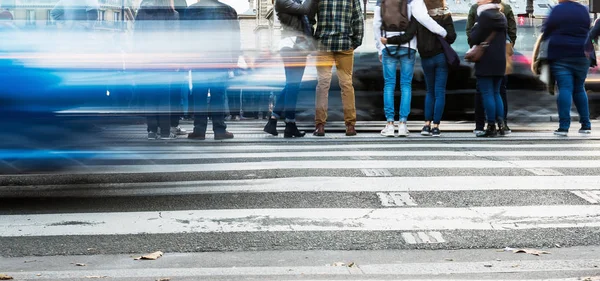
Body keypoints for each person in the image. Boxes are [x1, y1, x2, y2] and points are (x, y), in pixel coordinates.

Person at [379, 0, 456, 137]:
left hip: (426, 59)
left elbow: (407, 36)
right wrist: (442, 34)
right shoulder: (445, 15)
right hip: (441, 57)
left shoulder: (419, 16)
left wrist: (389, 41)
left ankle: (426, 125)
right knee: (439, 92)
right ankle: (436, 127)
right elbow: (452, 37)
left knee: (430, 92)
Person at [184, 0, 239, 140]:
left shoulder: (191, 10)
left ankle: (199, 130)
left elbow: (185, 37)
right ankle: (219, 129)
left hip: (199, 59)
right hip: (220, 58)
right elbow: (235, 38)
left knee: (199, 96)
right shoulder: (228, 10)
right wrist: (234, 59)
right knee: (218, 96)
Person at [263, 0, 317, 138]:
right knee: (293, 86)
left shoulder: (295, 2)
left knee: (292, 86)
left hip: (299, 46)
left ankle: (274, 120)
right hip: (292, 46)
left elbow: (309, 13)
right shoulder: (283, 1)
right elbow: (305, 9)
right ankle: (289, 124)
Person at [313, 0, 364, 137]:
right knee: (346, 84)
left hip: (323, 44)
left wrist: (313, 39)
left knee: (323, 84)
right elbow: (358, 19)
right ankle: (350, 125)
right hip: (345, 44)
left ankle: (320, 125)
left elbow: (309, 16)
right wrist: (355, 42)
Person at [543, 0, 592, 136]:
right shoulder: (583, 9)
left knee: (565, 88)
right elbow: (588, 28)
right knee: (579, 88)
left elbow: (546, 30)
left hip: (561, 53)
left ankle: (564, 127)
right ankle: (586, 125)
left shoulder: (557, 10)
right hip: (583, 53)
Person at [466, 1, 516, 135]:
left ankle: (491, 125)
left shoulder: (484, 16)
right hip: (500, 59)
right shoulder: (501, 16)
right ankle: (501, 123)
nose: (478, 1)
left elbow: (474, 38)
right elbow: (510, 34)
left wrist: (475, 27)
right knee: (496, 93)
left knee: (487, 93)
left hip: (486, 60)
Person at [134, 0, 179, 140]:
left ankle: (152, 131)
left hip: (147, 60)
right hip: (166, 60)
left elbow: (136, 37)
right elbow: (176, 40)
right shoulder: (173, 14)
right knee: (165, 97)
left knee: (150, 96)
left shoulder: (141, 12)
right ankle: (165, 132)